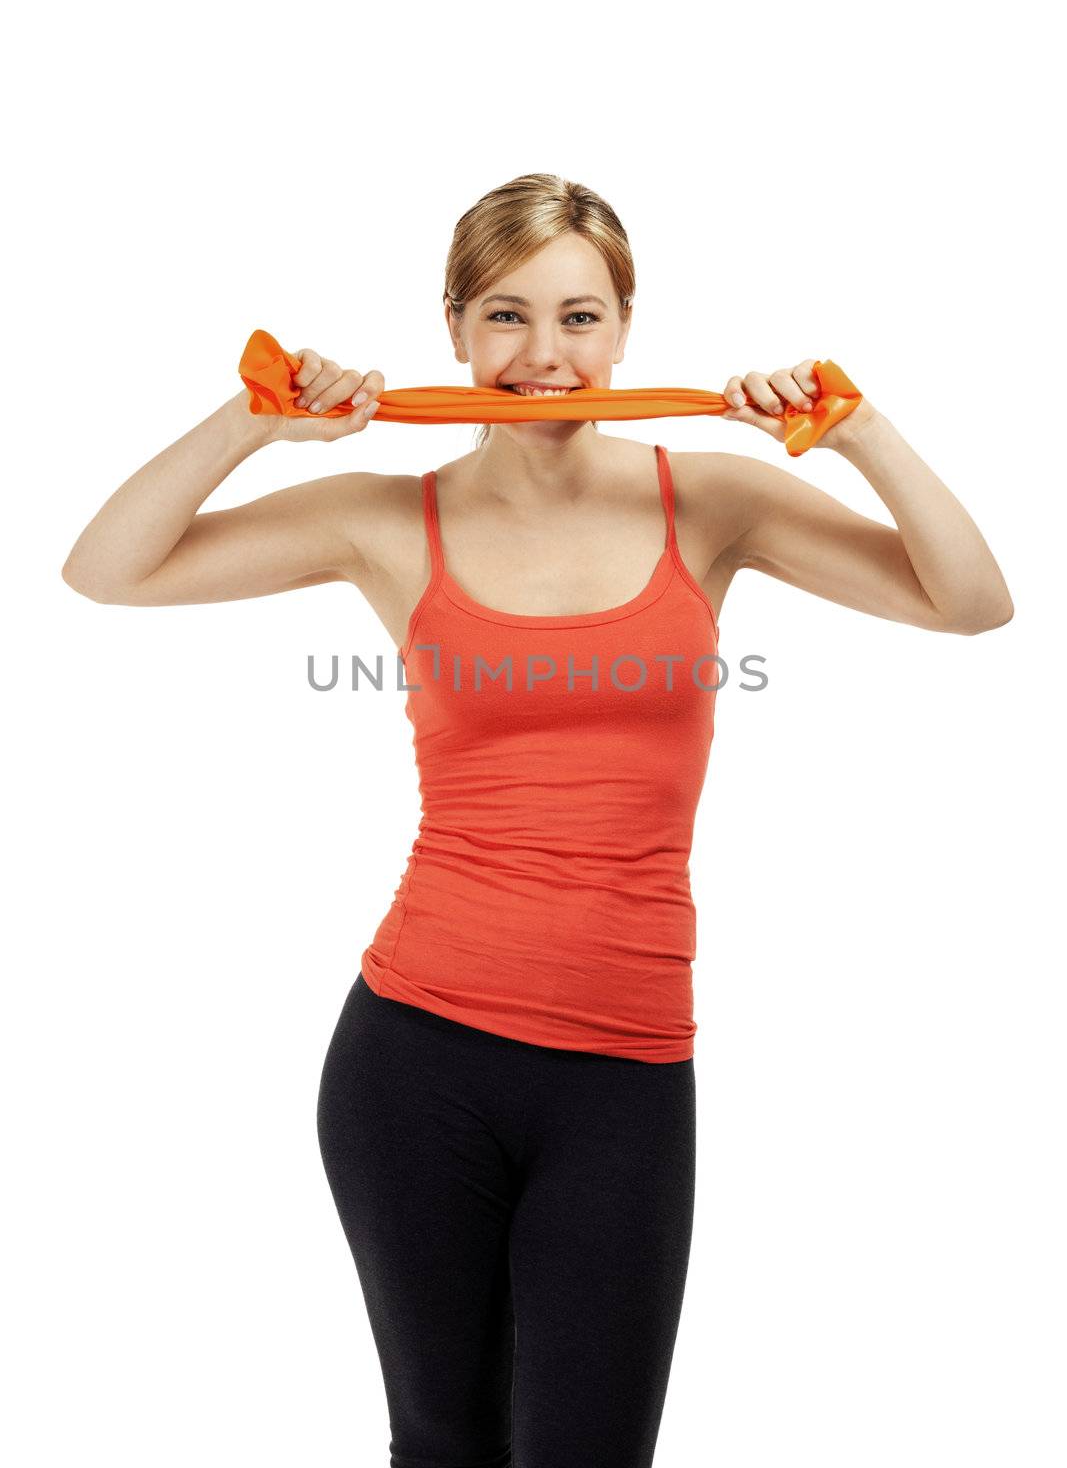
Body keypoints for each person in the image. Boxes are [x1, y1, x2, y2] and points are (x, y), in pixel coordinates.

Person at [61, 173, 1014, 1468]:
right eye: (506, 317)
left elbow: (969, 604)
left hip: (625, 1068)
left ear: (626, 327)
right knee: (445, 1446)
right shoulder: (387, 517)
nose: (543, 358)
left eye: (578, 317)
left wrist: (862, 436)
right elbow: (107, 571)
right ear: (453, 328)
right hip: (414, 1057)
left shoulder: (711, 501)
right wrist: (253, 421)